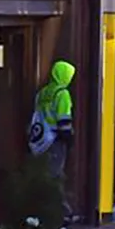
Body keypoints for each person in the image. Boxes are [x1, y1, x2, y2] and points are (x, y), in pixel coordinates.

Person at [30, 60, 76, 215]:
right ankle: (59, 211)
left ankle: (45, 209)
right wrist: (69, 139)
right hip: (56, 140)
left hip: (40, 140)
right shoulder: (62, 94)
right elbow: (64, 120)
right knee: (54, 176)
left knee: (46, 173)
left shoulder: (42, 93)